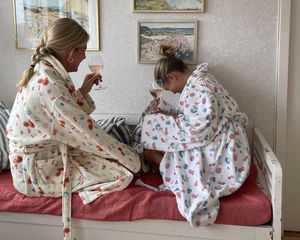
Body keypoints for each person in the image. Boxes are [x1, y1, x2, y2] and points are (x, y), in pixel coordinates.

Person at [6, 18, 141, 240]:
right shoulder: (48, 83)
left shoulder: (45, 70)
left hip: (41, 159)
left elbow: (62, 117)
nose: (85, 57)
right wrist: (131, 158)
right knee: (122, 172)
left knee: (113, 160)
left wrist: (84, 89)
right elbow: (88, 133)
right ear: (70, 52)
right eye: (83, 51)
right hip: (35, 174)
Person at [141, 44, 251, 226]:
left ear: (172, 77)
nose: (173, 92)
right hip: (217, 136)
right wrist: (168, 113)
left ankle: (175, 175)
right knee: (157, 138)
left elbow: (198, 126)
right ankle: (172, 171)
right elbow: (196, 116)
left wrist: (159, 123)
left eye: (170, 88)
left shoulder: (199, 87)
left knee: (151, 142)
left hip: (222, 146)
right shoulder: (201, 81)